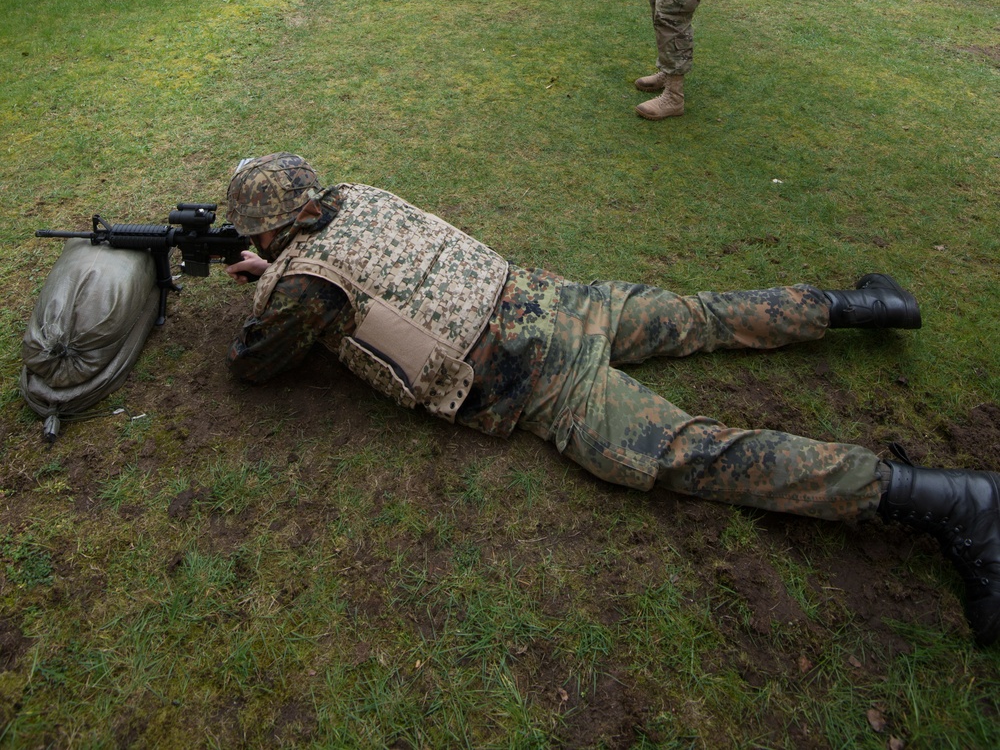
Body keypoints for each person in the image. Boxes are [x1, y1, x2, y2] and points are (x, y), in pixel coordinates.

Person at [224, 154, 1000, 649]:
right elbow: (363, 270)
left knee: (696, 453)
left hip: (545, 380)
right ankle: (866, 307)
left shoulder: (301, 286)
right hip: (562, 299)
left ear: (264, 228)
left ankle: (946, 500)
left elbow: (257, 364)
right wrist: (282, 271)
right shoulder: (356, 194)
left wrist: (269, 289)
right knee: (704, 316)